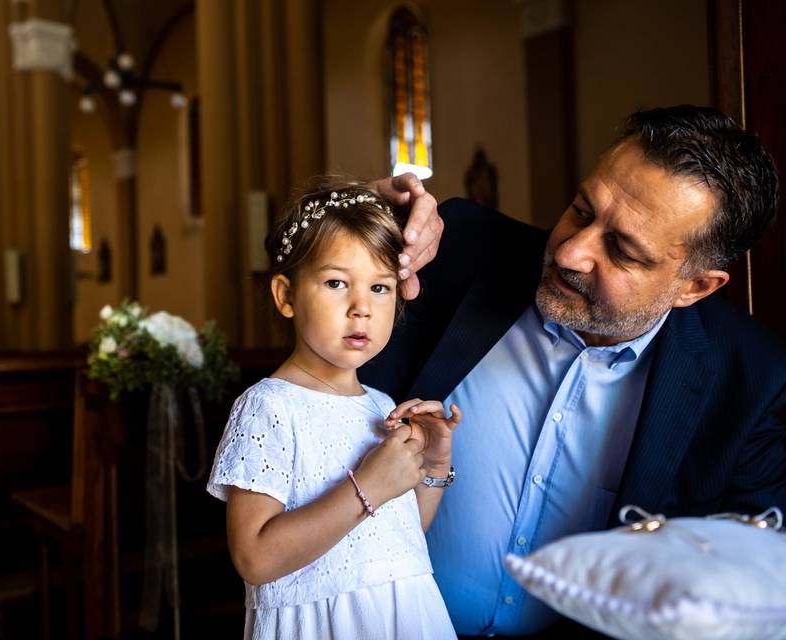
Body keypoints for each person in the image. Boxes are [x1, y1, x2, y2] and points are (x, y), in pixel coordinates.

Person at [361, 105, 786, 637]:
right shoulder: (459, 248)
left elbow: (752, 586)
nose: (570, 252)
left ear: (694, 287)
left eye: (623, 250)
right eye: (583, 211)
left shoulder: (750, 378)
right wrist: (357, 218)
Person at [207, 178, 460, 639]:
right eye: (336, 282)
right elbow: (254, 559)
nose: (361, 307)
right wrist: (365, 486)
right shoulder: (268, 408)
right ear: (286, 296)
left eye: (380, 288)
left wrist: (435, 463)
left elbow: (401, 539)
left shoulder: (381, 405)